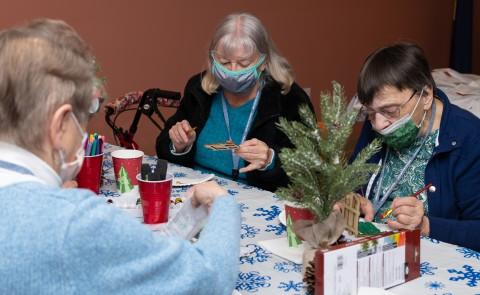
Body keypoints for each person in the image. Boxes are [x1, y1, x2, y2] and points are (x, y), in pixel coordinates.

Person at [0, 19, 240, 294]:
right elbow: (207, 280)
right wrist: (223, 205)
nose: (82, 138)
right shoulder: (73, 222)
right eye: (81, 124)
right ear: (59, 125)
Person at [156, 13, 313, 192]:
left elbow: (308, 169)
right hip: (197, 192)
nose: (232, 71)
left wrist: (271, 160)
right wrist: (179, 146)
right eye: (224, 62)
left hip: (256, 201)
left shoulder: (290, 99)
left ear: (264, 62)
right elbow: (163, 148)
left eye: (243, 63)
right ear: (213, 59)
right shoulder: (199, 89)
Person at [351, 43, 480, 251]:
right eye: (370, 112)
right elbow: (353, 178)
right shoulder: (377, 120)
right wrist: (354, 200)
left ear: (426, 95)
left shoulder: (469, 138)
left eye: (391, 110)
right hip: (372, 245)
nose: (379, 124)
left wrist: (426, 225)